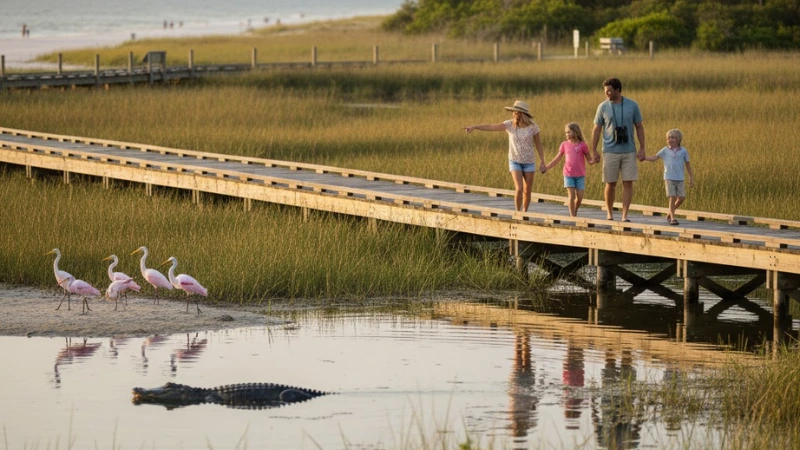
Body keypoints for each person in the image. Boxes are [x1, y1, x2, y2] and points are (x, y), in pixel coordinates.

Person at [464, 100, 547, 212]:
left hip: (529, 162)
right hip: (515, 160)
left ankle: (525, 213)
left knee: (527, 190)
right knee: (519, 188)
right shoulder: (509, 125)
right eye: (513, 112)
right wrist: (475, 126)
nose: (513, 114)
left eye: (515, 112)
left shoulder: (533, 127)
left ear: (522, 114)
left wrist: (542, 161)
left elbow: (538, 144)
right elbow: (491, 127)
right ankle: (518, 213)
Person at [590, 78, 645, 222]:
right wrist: (594, 150)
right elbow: (597, 129)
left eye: (609, 91)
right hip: (610, 150)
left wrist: (642, 148)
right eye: (605, 91)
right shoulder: (602, 107)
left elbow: (639, 127)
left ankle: (625, 215)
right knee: (610, 183)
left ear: (618, 90)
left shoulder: (632, 105)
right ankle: (609, 213)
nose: (606, 93)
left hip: (629, 150)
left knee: (628, 183)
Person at [644, 129, 694, 225]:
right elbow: (654, 158)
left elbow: (687, 164)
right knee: (672, 197)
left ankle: (670, 212)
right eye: (668, 138)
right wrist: (644, 157)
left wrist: (691, 177)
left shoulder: (683, 151)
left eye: (673, 138)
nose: (670, 140)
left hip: (680, 178)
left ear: (678, 139)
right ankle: (672, 218)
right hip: (669, 177)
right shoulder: (665, 150)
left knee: (681, 197)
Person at [545, 123, 595, 217]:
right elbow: (557, 158)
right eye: (566, 133)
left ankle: (575, 210)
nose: (567, 134)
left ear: (575, 132)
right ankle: (572, 216)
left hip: (580, 175)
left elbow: (590, 160)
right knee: (571, 196)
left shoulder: (582, 145)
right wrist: (547, 167)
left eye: (569, 132)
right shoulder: (564, 145)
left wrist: (594, 160)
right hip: (568, 174)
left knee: (579, 197)